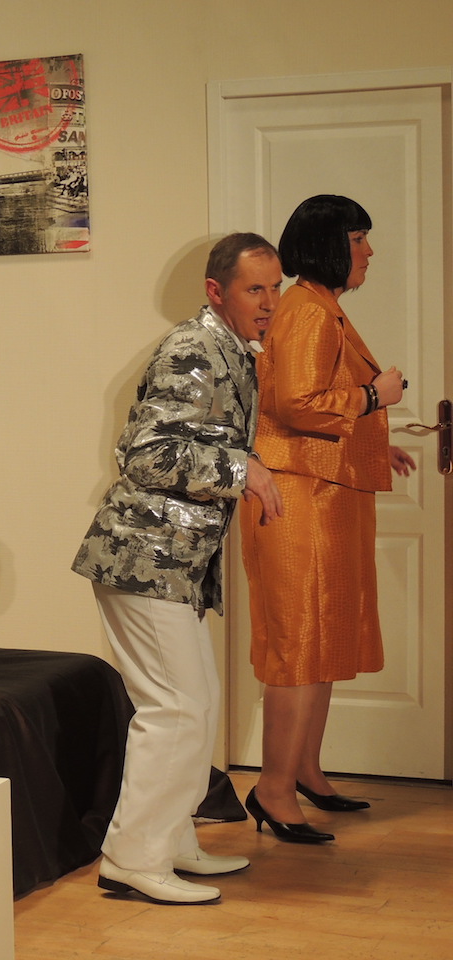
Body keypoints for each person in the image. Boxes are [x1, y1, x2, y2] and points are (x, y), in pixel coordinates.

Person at [71, 233, 285, 905]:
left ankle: (170, 840)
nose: (269, 303)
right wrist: (241, 469)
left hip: (174, 566)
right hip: (143, 559)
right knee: (176, 709)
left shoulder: (234, 350)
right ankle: (132, 858)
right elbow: (146, 455)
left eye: (275, 288)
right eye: (255, 289)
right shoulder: (193, 349)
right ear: (216, 291)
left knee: (198, 703)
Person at [240, 195, 414, 842]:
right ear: (329, 244)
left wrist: (372, 440)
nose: (368, 251)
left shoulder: (320, 307)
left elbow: (305, 405)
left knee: (323, 640)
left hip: (323, 494)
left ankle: (305, 771)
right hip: (300, 501)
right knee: (299, 648)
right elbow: (297, 403)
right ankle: (272, 788)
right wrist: (374, 395)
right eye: (359, 238)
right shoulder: (309, 310)